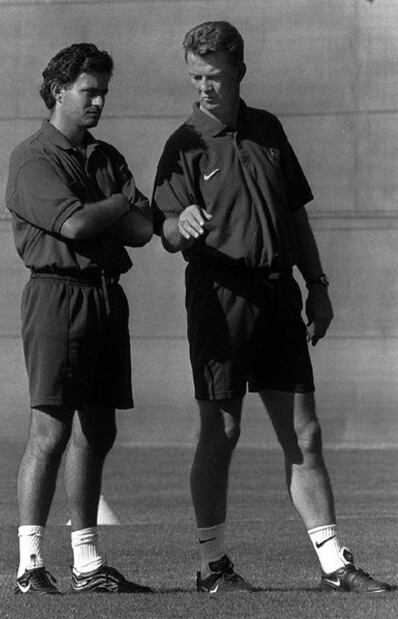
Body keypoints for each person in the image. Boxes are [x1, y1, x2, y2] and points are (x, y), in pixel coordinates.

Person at [152, 21, 390, 594]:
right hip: (219, 297)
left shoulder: (269, 129)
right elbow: (163, 227)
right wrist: (176, 226)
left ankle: (337, 564)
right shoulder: (183, 142)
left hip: (280, 293)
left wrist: (319, 284)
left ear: (239, 71)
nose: (204, 87)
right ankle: (213, 565)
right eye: (195, 77)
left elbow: (295, 215)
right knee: (224, 429)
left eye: (213, 76)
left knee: (304, 434)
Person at [6, 43, 153, 595]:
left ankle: (88, 563)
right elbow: (75, 226)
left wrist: (114, 210)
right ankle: (29, 563)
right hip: (56, 296)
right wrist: (117, 204)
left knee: (99, 428)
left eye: (104, 92)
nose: (98, 101)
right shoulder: (33, 157)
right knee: (50, 429)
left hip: (106, 297)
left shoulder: (105, 155)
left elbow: (141, 232)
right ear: (58, 91)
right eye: (89, 91)